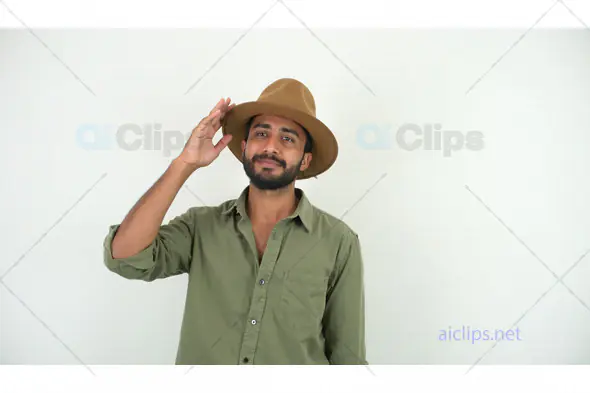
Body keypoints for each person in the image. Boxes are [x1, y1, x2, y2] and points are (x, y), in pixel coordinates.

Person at [103, 78, 367, 365]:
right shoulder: (200, 227)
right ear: (244, 147)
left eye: (288, 139)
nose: (271, 147)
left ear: (305, 160)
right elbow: (125, 257)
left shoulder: (339, 242)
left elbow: (348, 358)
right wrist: (184, 164)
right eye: (261, 134)